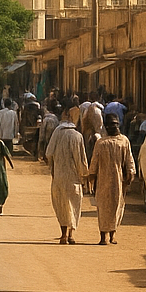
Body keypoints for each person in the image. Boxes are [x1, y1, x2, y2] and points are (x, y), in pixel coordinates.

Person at [88, 113, 136, 244]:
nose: (113, 127)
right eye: (111, 125)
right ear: (106, 126)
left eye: (115, 124)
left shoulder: (124, 141)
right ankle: (103, 236)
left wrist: (130, 173)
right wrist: (91, 177)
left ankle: (112, 235)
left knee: (116, 207)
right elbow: (94, 161)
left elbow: (129, 158)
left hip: (118, 180)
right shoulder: (100, 143)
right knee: (103, 208)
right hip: (102, 181)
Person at [45, 101, 89, 244]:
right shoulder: (77, 137)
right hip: (74, 178)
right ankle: (70, 234)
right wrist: (84, 177)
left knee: (62, 205)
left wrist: (53, 168)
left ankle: (63, 234)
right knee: (74, 205)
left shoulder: (57, 133)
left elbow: (48, 153)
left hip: (59, 176)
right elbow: (81, 160)